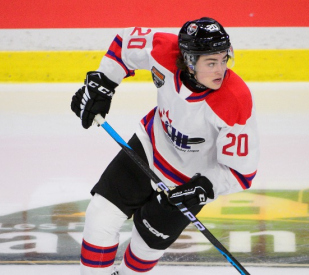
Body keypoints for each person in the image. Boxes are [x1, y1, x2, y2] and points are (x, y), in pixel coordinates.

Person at [70, 17, 259, 275]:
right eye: (211, 62)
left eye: (224, 59)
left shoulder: (235, 100)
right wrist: (104, 83)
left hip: (188, 180)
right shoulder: (163, 51)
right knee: (100, 217)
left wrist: (203, 188)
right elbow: (125, 43)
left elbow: (241, 172)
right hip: (149, 148)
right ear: (189, 61)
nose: (221, 70)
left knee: (146, 245)